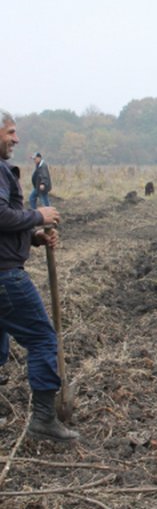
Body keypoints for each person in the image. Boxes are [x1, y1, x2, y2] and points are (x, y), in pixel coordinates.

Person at [0, 109, 79, 441]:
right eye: (10, 132)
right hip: (5, 278)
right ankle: (44, 421)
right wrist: (37, 216)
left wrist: (32, 237)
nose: (17, 138)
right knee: (43, 339)